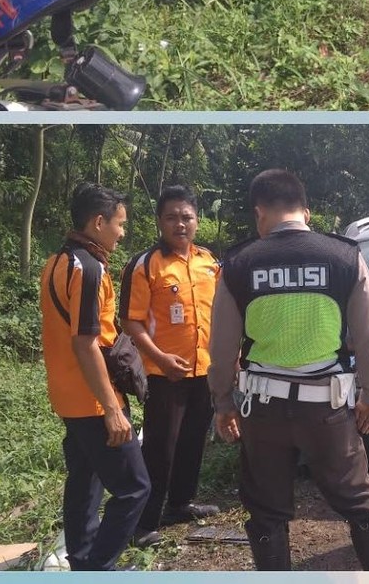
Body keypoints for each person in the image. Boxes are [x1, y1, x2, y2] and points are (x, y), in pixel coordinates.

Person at [208, 169, 369, 571]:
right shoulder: (344, 256)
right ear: (305, 212)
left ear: (260, 213)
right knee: (362, 502)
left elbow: (222, 348)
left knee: (267, 510)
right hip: (326, 409)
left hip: (262, 410)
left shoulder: (239, 264)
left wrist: (223, 402)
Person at [40, 183, 151, 571]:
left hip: (68, 395)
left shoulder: (57, 261)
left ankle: (83, 561)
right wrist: (111, 408)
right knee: (135, 488)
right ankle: (100, 568)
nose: (123, 232)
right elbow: (85, 344)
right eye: (120, 224)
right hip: (92, 399)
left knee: (85, 480)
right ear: (99, 222)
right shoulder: (88, 269)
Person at [120, 186, 220, 539]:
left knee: (194, 440)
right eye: (172, 218)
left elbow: (224, 316)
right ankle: (144, 522)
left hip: (205, 371)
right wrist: (160, 357)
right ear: (160, 222)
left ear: (197, 220)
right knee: (161, 448)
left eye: (187, 217)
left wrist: (230, 356)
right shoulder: (146, 264)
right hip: (164, 374)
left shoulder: (210, 262)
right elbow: (130, 322)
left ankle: (180, 504)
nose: (180, 224)